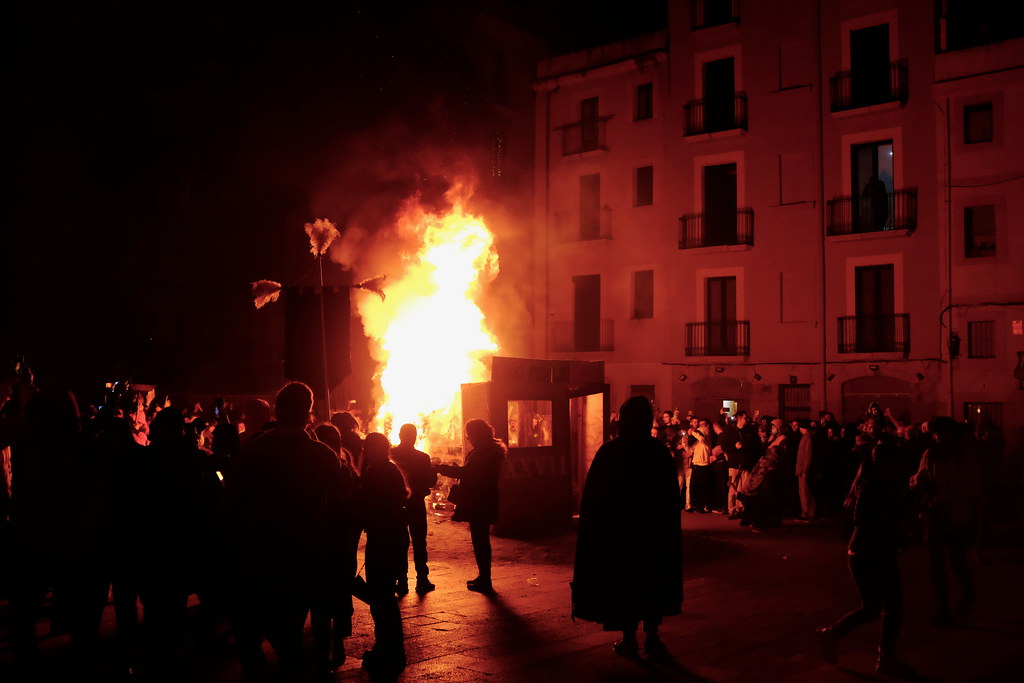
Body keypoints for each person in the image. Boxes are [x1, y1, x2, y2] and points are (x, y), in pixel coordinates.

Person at [228, 382, 347, 679]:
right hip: (305, 555)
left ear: (278, 410)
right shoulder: (322, 454)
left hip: (260, 553)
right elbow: (343, 500)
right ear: (309, 414)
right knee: (290, 629)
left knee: (251, 634)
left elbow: (234, 500)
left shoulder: (255, 450)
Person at [572, 396, 683, 658]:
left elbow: (594, 497)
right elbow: (670, 496)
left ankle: (630, 637)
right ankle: (653, 637)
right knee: (652, 580)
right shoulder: (657, 452)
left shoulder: (611, 451)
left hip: (620, 533)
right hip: (653, 533)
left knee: (625, 583)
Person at [817, 434, 915, 677]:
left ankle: (834, 635)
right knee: (888, 606)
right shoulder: (873, 485)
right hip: (869, 552)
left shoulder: (881, 484)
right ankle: (883, 656)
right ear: (886, 464)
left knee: (877, 607)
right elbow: (863, 519)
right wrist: (895, 523)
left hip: (872, 551)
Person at [911, 416, 982, 627]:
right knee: (937, 565)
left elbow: (974, 487)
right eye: (935, 433)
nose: (938, 437)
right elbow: (917, 478)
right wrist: (918, 481)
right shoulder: (930, 455)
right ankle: (943, 609)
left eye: (942, 433)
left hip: (958, 516)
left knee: (957, 560)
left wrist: (948, 497)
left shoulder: (965, 458)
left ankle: (968, 592)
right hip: (936, 516)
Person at [356, 432, 409, 671]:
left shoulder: (376, 472)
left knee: (381, 597)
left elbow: (368, 505)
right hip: (395, 535)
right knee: (384, 595)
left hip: (383, 537)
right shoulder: (390, 469)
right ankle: (390, 647)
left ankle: (389, 649)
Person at [436, 419, 506, 594]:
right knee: (480, 539)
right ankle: (484, 577)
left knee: (480, 540)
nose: (468, 438)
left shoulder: (485, 452)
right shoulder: (489, 450)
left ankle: (485, 579)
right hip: (485, 498)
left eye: (469, 435)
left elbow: (471, 474)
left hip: (480, 500)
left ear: (477, 434)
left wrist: (444, 469)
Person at [390, 423, 437, 595]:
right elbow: (431, 481)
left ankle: (401, 581)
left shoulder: (391, 454)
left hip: (397, 505)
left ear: (400, 435)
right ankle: (422, 580)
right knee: (419, 541)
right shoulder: (422, 457)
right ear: (415, 436)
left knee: (399, 543)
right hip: (416, 503)